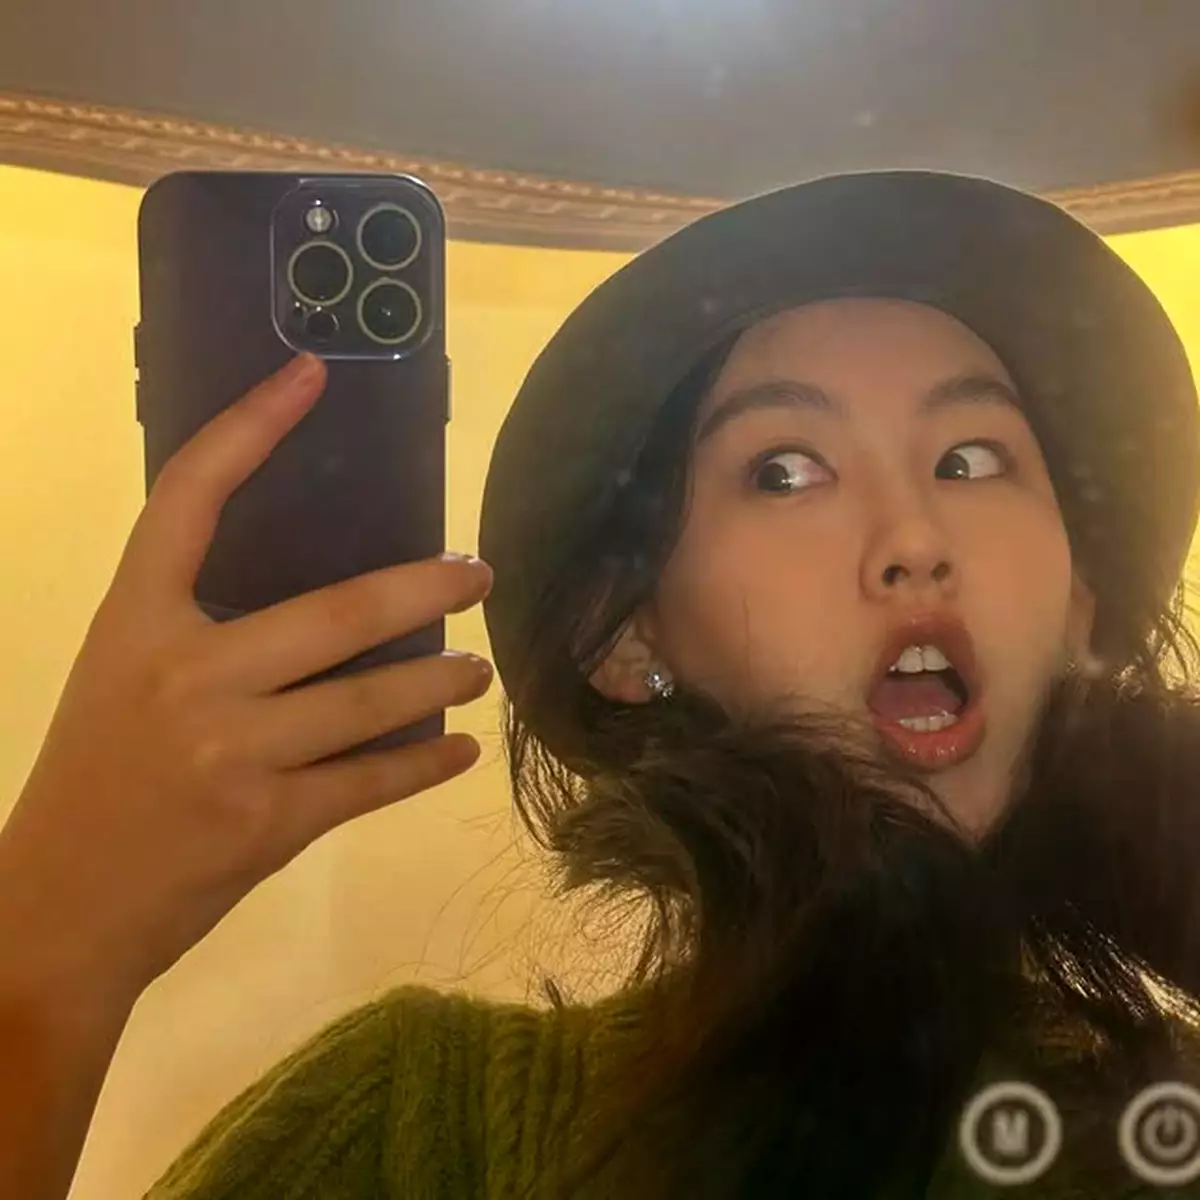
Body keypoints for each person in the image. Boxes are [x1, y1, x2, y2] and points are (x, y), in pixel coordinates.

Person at [2, 170, 1199, 1199]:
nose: (914, 538)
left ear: (1079, 603)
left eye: (971, 459)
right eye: (785, 471)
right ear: (630, 642)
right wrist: (52, 939)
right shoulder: (421, 1128)